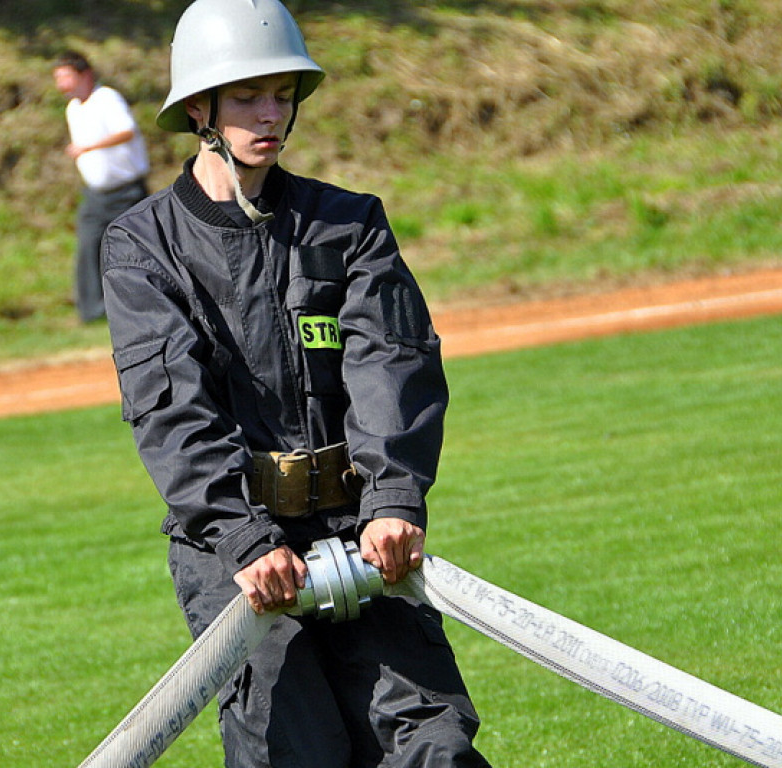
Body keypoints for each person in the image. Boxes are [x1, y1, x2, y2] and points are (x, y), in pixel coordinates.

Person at [100, 0, 492, 765]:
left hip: (362, 536)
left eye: (284, 94)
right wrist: (246, 538)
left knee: (432, 744)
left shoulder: (349, 224)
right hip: (238, 554)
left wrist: (392, 501)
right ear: (199, 109)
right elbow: (169, 406)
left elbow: (393, 360)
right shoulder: (141, 247)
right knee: (295, 751)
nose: (271, 113)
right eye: (248, 95)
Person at [53, 50, 149, 323]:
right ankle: (93, 310)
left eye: (65, 76)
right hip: (96, 194)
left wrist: (90, 147)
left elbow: (127, 130)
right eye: (58, 78)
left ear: (85, 75)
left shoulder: (106, 97)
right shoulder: (72, 108)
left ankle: (145, 303)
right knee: (88, 246)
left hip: (126, 191)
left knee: (137, 249)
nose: (61, 84)